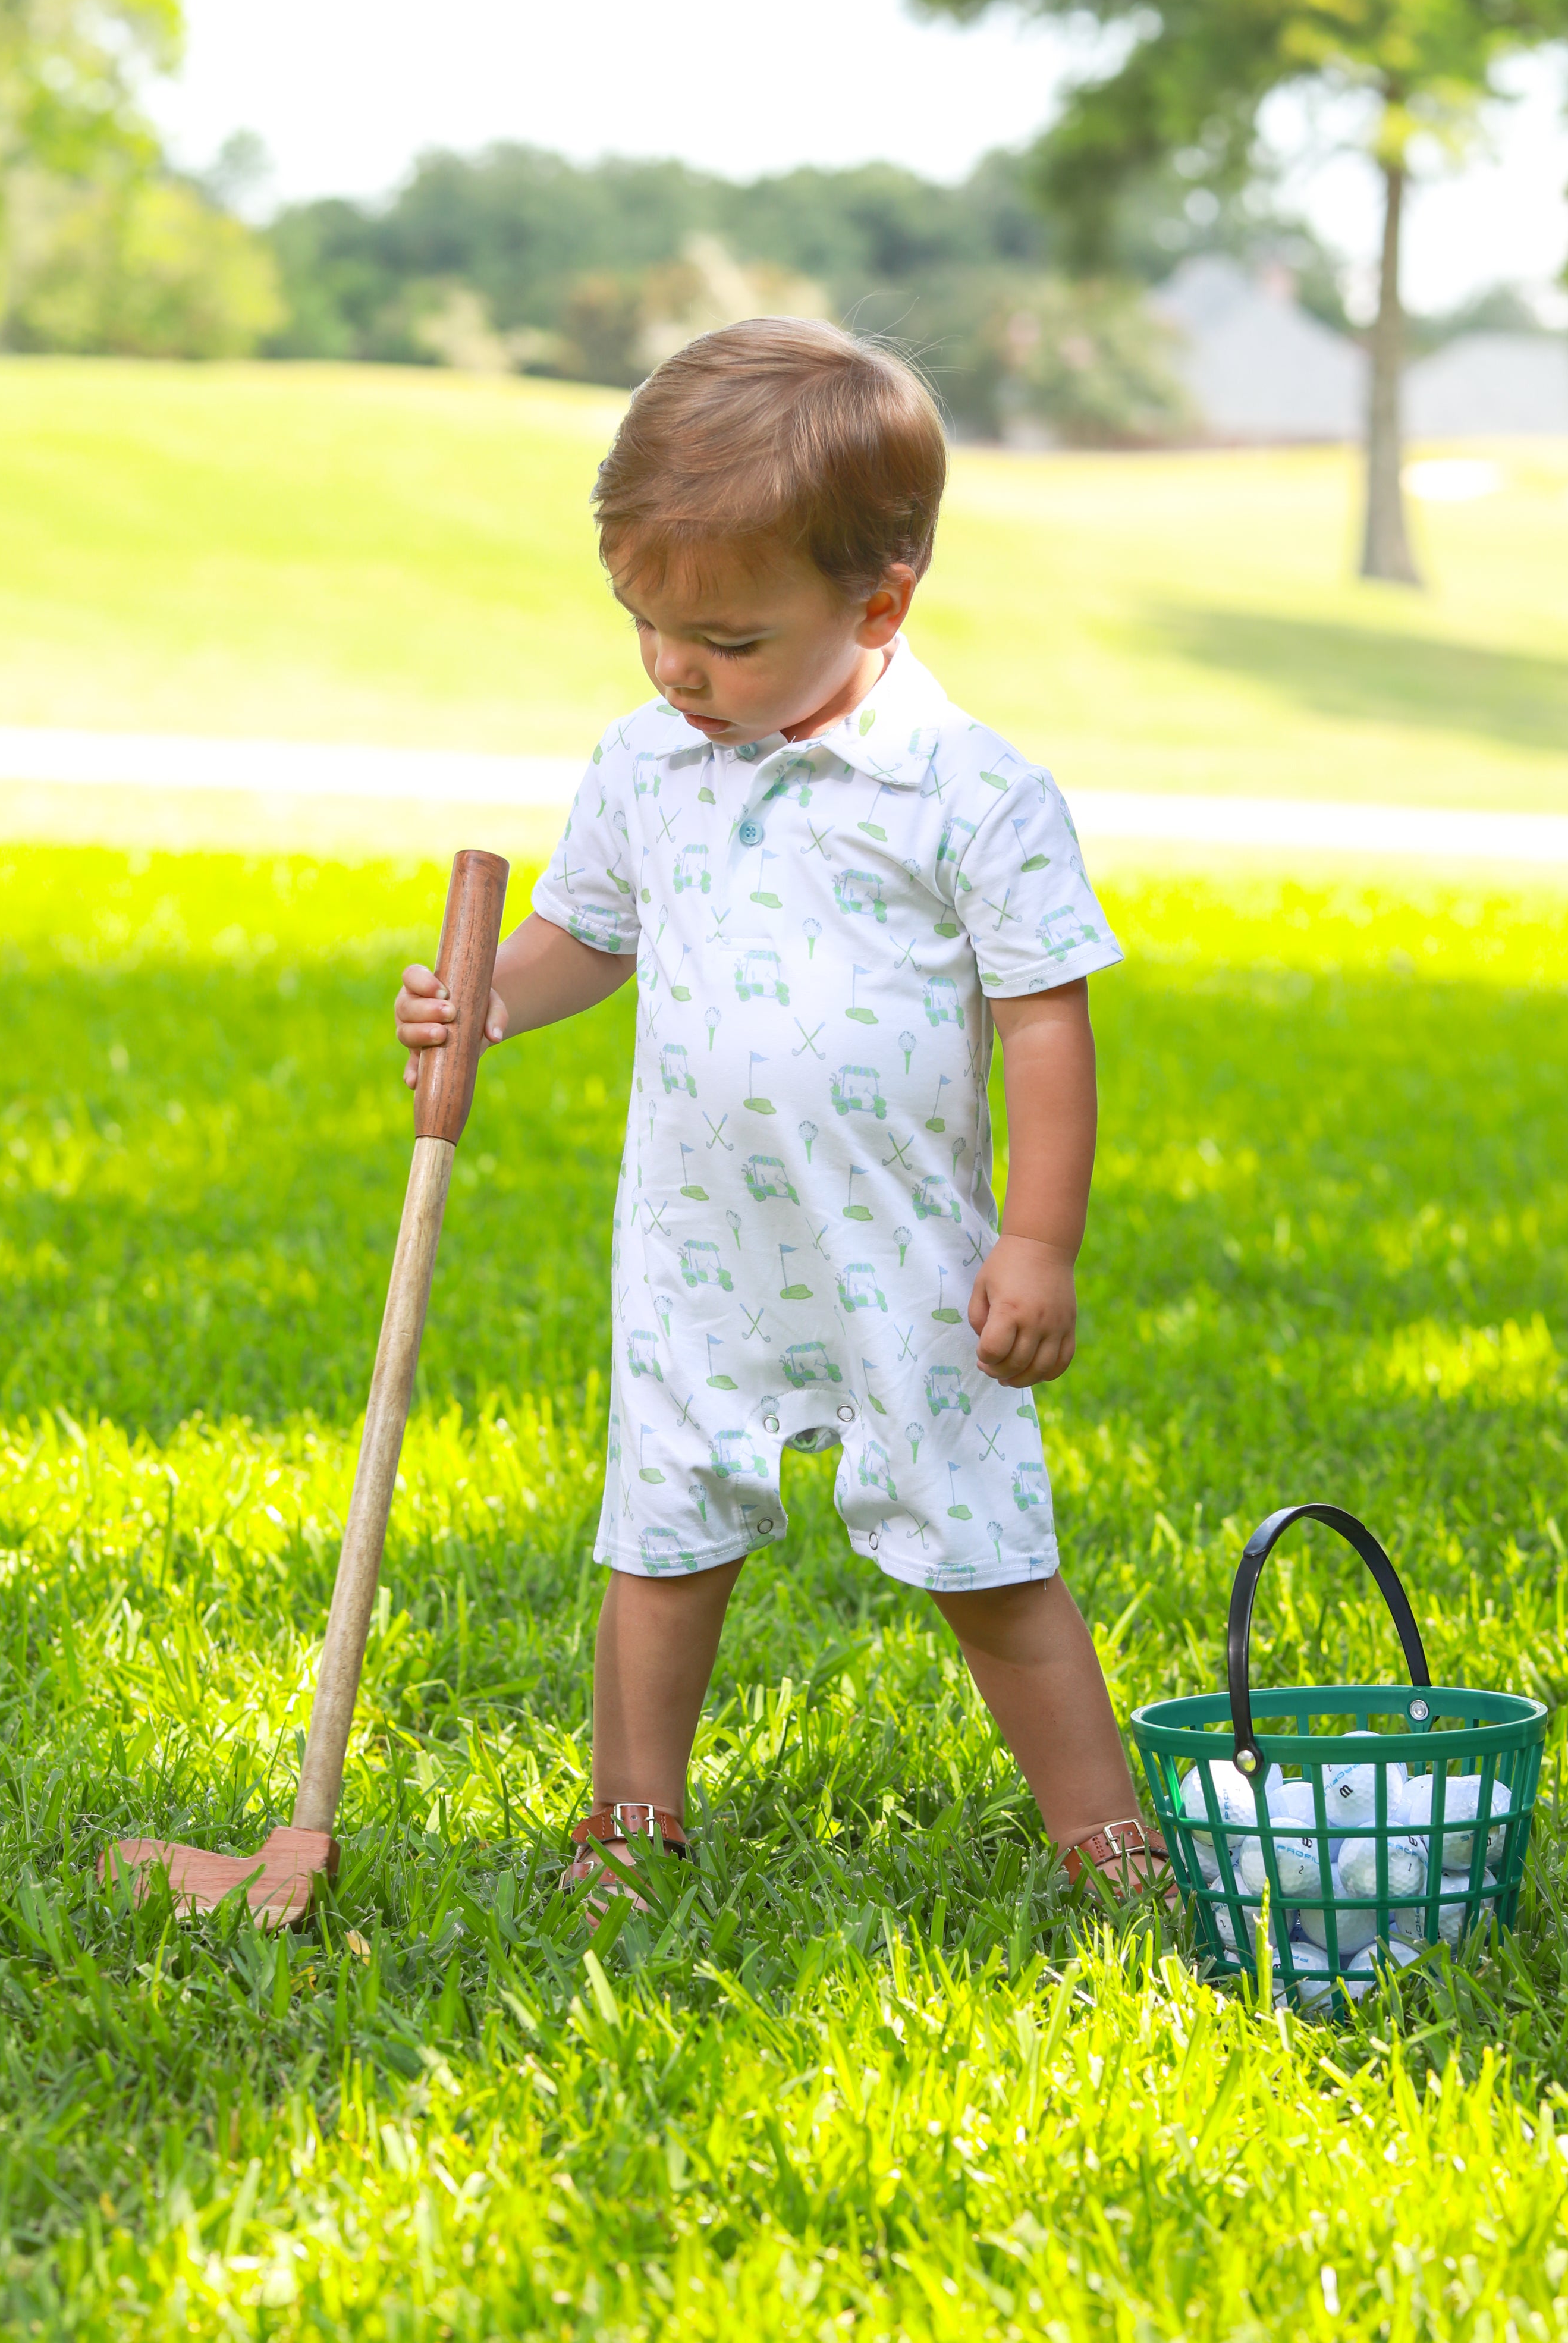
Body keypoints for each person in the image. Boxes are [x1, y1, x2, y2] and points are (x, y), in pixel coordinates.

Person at [394, 318, 1168, 1901]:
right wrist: (488, 1001)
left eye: (726, 639)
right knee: (661, 1531)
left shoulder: (968, 792)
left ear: (878, 605)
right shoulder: (646, 764)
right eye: (643, 624)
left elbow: (1044, 1024)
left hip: (905, 1251)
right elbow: (585, 938)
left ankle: (1106, 1837)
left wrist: (1036, 1243)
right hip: (698, 1244)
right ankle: (631, 1820)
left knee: (984, 1547)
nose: (675, 669)